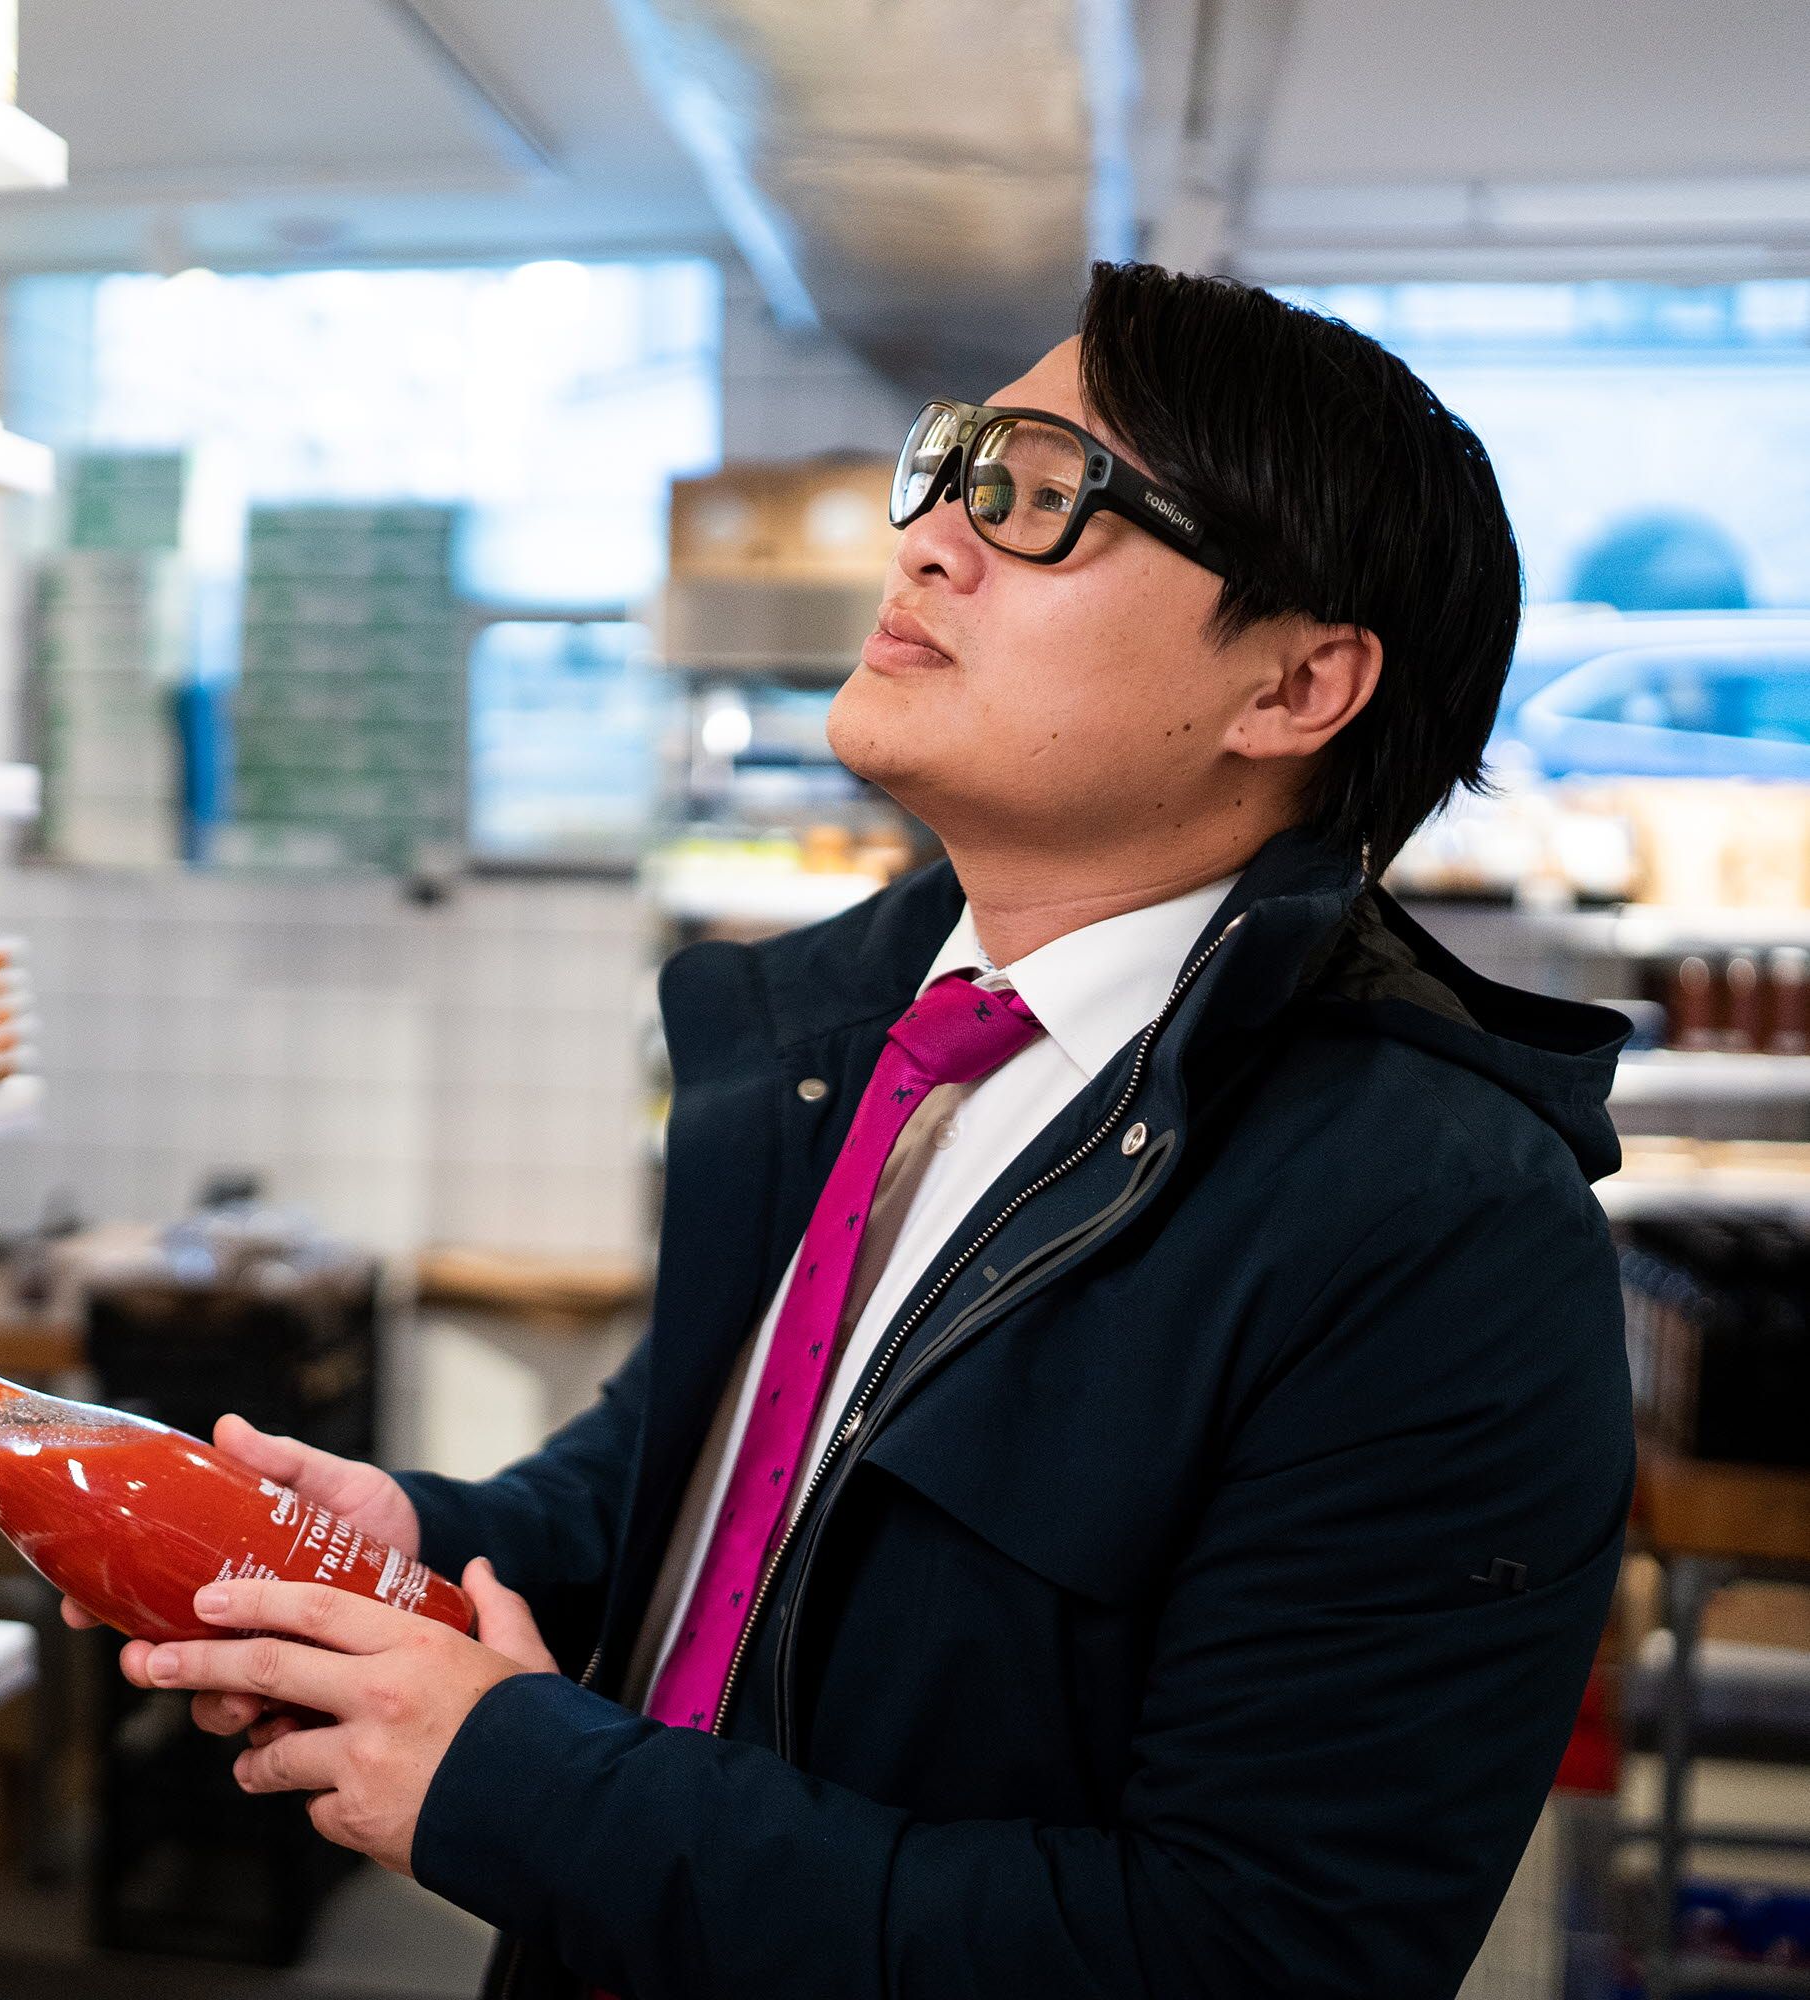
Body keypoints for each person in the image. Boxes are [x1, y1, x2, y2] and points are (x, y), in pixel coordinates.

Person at [78, 261, 1635, 1999]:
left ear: (1292, 688)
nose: (926, 542)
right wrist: (410, 1542)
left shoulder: (1433, 1229)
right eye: (954, 468)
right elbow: (704, 1478)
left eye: (1044, 498)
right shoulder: (856, 1032)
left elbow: (1249, 1950)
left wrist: (529, 1788)